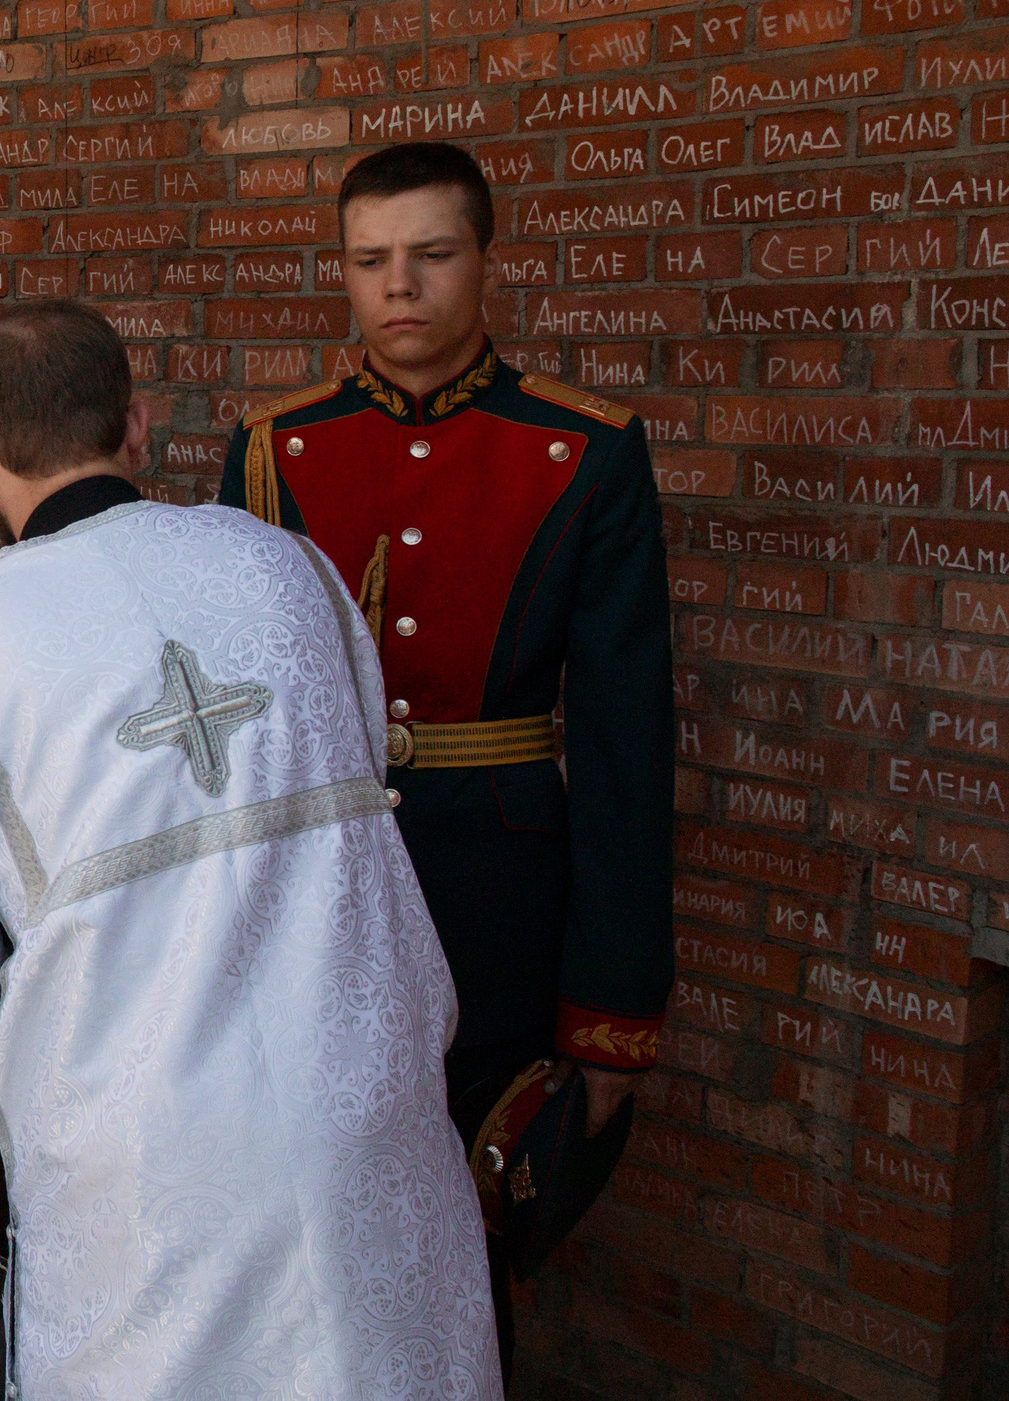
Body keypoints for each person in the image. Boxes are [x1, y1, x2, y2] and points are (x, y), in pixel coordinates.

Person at [0, 301, 499, 1399]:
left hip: (145, 1144)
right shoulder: (290, 563)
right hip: (360, 1091)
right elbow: (359, 798)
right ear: (140, 424)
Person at [217, 141, 673, 1359]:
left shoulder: (580, 450)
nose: (399, 288)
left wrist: (611, 1013)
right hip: (321, 891)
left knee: (469, 1233)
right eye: (370, 262)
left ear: (485, 259)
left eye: (430, 255)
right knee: (309, 1214)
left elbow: (630, 747)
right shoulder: (275, 448)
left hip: (503, 898)